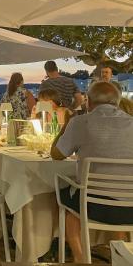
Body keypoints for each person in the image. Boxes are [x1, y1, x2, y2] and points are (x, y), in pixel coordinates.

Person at [51, 82, 133, 263]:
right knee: (118, 195)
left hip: (93, 208)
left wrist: (65, 125)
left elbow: (56, 155)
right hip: (130, 209)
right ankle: (118, 252)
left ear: (88, 102)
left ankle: (80, 257)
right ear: (118, 102)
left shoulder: (80, 122)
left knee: (69, 201)